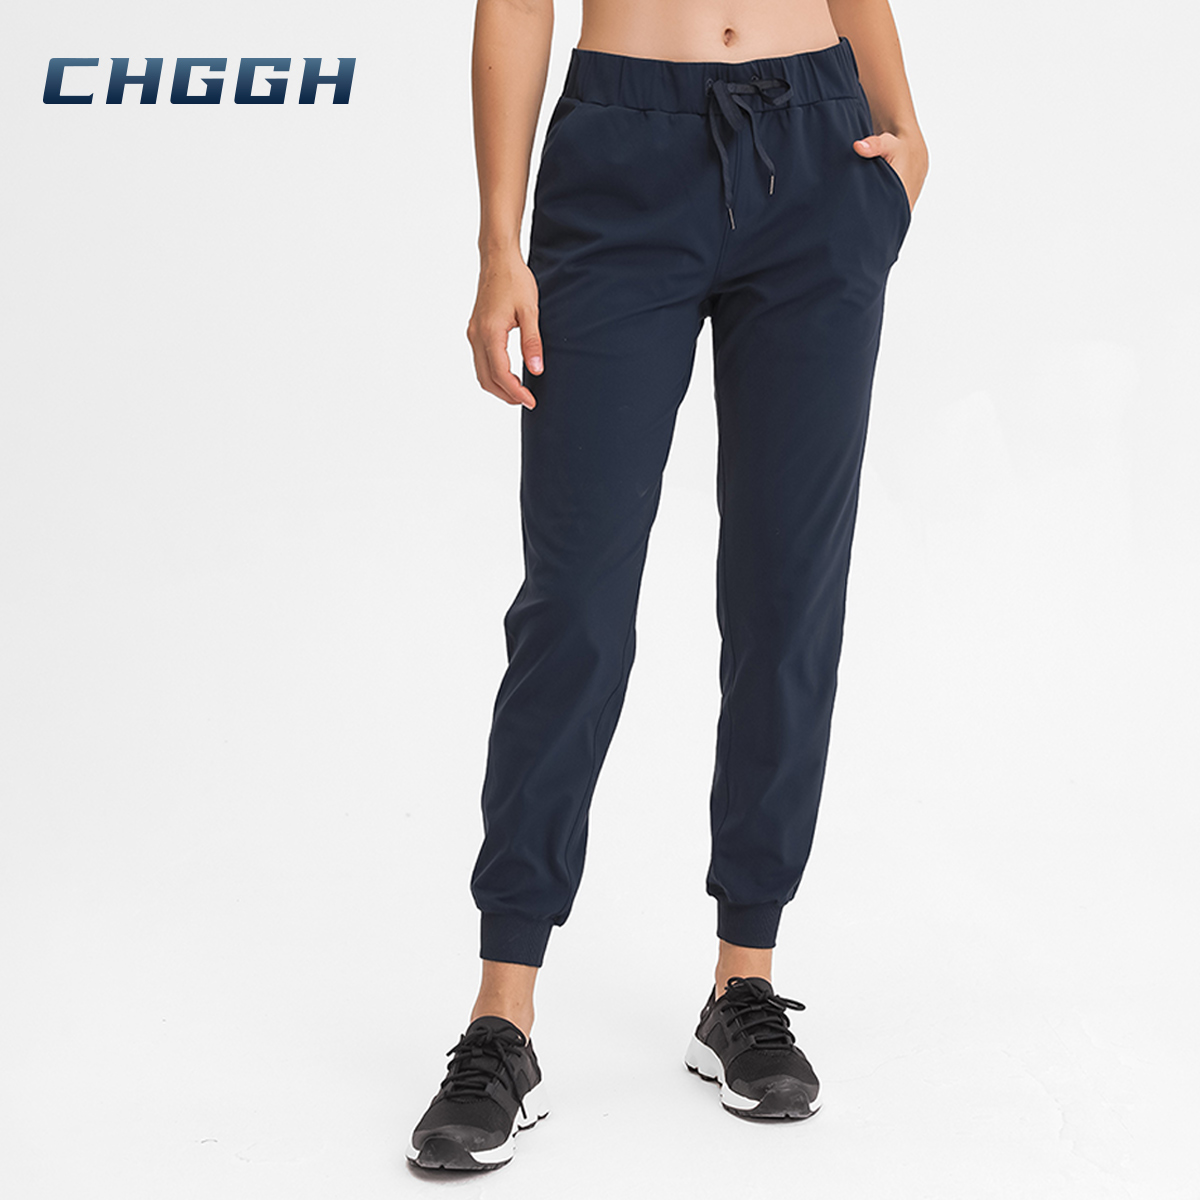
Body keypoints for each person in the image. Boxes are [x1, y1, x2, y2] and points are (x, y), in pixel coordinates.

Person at [406, 0, 928, 1172]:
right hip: (621, 155)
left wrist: (905, 137)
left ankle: (746, 980)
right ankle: (502, 1017)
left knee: (788, 590)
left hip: (819, 150)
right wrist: (498, 246)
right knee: (575, 605)